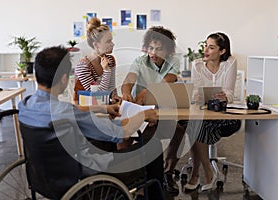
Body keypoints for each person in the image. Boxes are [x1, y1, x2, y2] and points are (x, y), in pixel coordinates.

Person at [18, 46, 164, 199]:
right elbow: (120, 132)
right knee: (153, 146)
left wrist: (101, 107)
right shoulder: (66, 113)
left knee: (101, 143)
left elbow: (73, 111)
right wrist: (143, 114)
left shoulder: (25, 106)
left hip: (43, 175)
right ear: (63, 78)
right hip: (85, 173)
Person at [165, 32, 241, 192]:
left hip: (224, 116)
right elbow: (195, 93)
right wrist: (197, 95)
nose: (206, 49)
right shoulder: (197, 64)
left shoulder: (230, 63)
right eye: (206, 45)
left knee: (195, 126)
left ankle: (197, 174)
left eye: (211, 47)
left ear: (222, 51)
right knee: (193, 123)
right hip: (202, 113)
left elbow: (230, 93)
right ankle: (206, 171)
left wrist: (225, 96)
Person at [121, 26, 186, 194]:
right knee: (147, 136)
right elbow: (129, 78)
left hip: (161, 109)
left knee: (178, 131)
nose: (153, 52)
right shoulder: (140, 61)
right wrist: (127, 91)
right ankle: (143, 179)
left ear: (168, 50)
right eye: (150, 48)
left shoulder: (174, 62)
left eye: (158, 49)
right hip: (141, 111)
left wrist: (148, 91)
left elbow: (167, 81)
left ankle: (168, 172)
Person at [74, 17, 120, 103]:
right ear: (96, 45)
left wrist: (114, 97)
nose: (112, 44)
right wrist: (106, 71)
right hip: (84, 109)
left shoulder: (110, 59)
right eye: (108, 41)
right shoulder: (83, 66)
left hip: (103, 105)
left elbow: (111, 88)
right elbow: (96, 97)